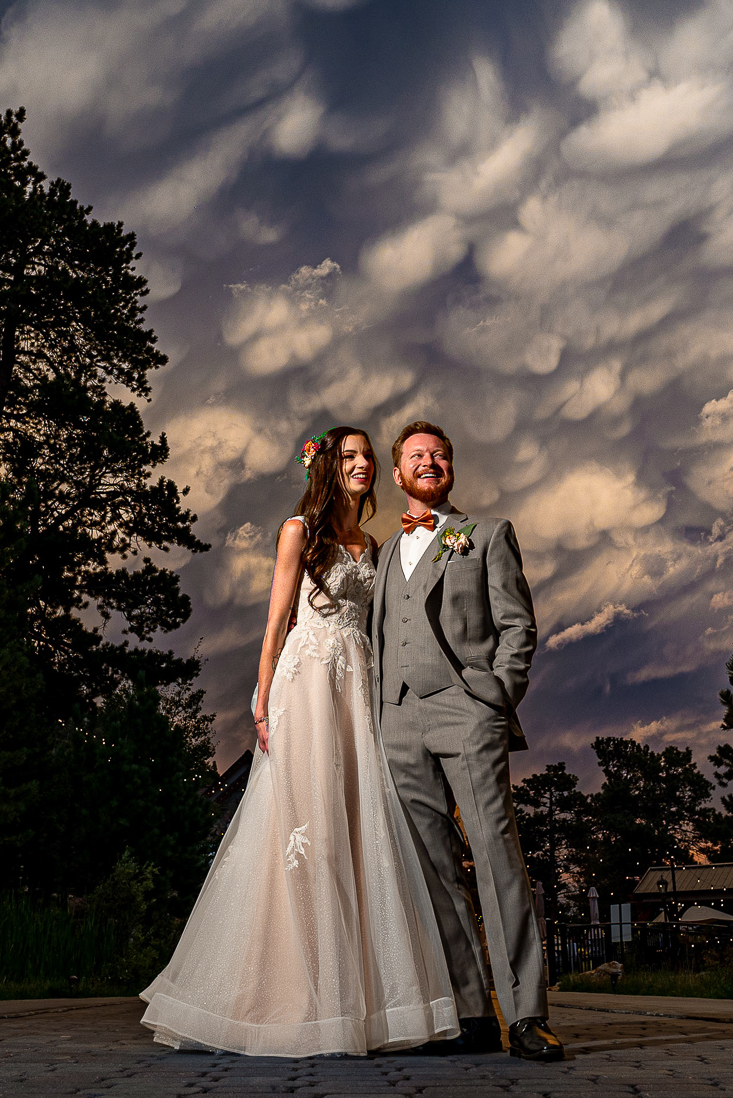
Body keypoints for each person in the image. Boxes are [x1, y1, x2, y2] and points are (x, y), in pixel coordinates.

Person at [140, 427, 460, 1057]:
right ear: (326, 468)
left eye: (368, 455)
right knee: (304, 827)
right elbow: (277, 617)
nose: (363, 463)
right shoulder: (298, 532)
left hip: (357, 690)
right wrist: (262, 698)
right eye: (350, 455)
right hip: (308, 682)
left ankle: (362, 1003)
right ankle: (289, 995)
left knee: (356, 824)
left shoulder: (372, 543)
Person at [371, 421, 564, 1061]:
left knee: (495, 855)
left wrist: (494, 697)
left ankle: (527, 1016)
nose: (430, 461)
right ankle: (472, 1016)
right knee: (433, 871)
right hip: (396, 721)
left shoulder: (484, 534)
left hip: (465, 714)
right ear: (397, 475)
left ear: (451, 469)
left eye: (440, 454)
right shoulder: (378, 554)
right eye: (416, 456)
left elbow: (518, 625)